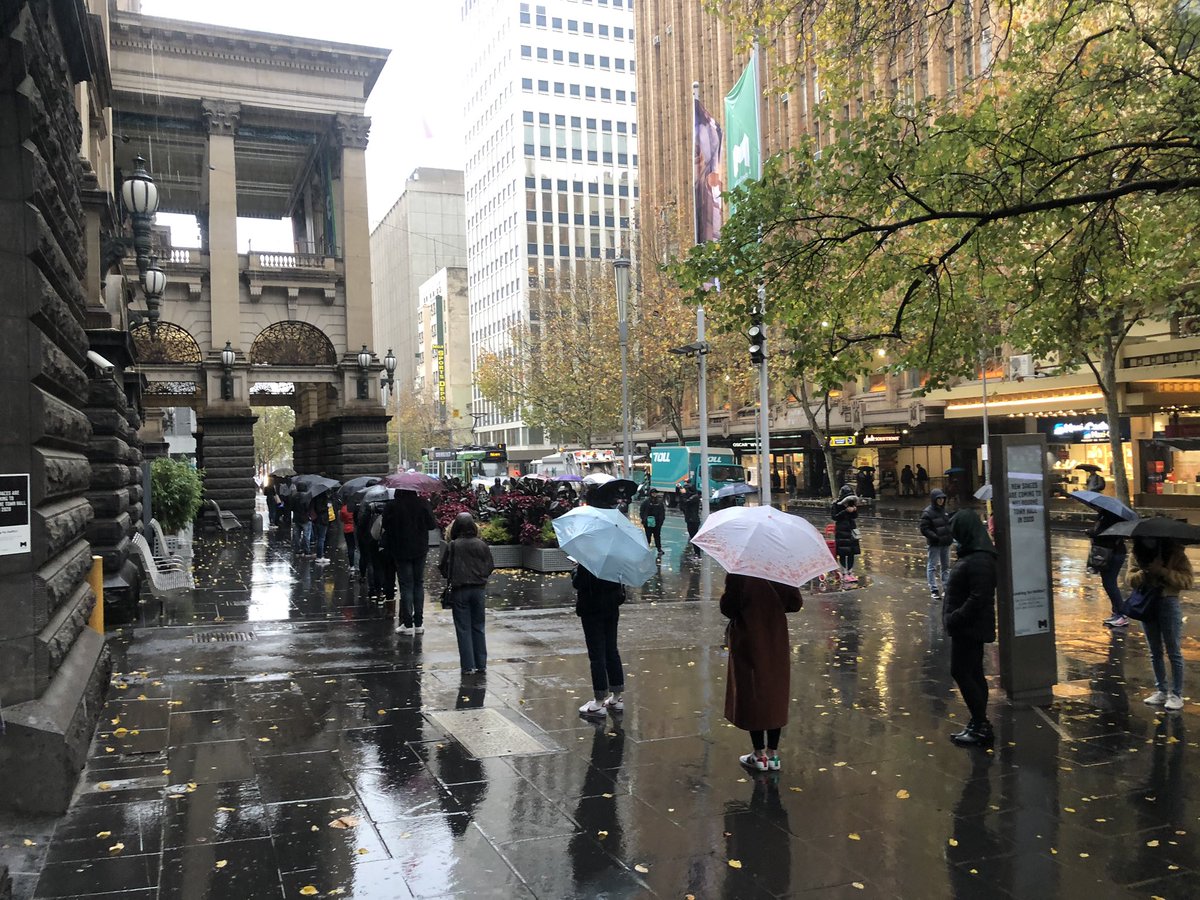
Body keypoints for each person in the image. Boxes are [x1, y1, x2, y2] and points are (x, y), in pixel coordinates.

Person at [720, 572, 803, 771]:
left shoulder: (740, 573)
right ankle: (773, 754)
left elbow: (728, 608)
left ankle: (759, 754)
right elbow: (795, 603)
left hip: (749, 637)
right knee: (775, 689)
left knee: (753, 689)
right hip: (775, 637)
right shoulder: (781, 569)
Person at [942, 508, 998, 746]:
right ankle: (979, 722)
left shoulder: (979, 559)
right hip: (968, 626)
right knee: (973, 672)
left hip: (968, 627)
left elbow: (979, 596)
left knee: (962, 672)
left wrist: (955, 617)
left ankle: (980, 724)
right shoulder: (975, 554)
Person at [1131, 536, 1193, 711]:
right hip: (1147, 603)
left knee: (1173, 651)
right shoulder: (1137, 553)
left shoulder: (1176, 553)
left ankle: (1177, 694)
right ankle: (1161, 690)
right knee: (1154, 651)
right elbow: (1130, 579)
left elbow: (1188, 581)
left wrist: (1163, 571)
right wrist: (1146, 572)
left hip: (1168, 602)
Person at [439, 512, 495, 675]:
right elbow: (490, 566)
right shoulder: (481, 544)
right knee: (479, 626)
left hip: (460, 590)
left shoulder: (453, 545)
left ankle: (467, 665)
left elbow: (443, 568)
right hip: (478, 590)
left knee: (463, 628)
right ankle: (481, 664)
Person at [573, 563, 626, 717]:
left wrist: (575, 569)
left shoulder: (589, 558)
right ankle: (616, 697)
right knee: (611, 649)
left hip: (592, 609)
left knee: (597, 655)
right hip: (611, 606)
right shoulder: (615, 556)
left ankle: (598, 702)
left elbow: (578, 583)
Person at [382, 490, 438, 634]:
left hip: (400, 549)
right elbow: (432, 525)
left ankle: (407, 624)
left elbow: (386, 526)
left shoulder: (392, 506)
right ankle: (419, 623)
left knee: (406, 585)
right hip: (420, 548)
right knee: (418, 583)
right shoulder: (423, 503)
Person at [1086, 513, 1129, 627]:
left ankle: (1122, 614)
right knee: (1108, 583)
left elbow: (1107, 534)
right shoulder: (1103, 516)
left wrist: (1092, 533)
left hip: (1113, 553)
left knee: (1110, 583)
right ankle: (1117, 613)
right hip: (1108, 552)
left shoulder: (1111, 517)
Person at [919, 489, 954, 598]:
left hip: (945, 543)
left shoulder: (944, 511)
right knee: (932, 566)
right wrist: (935, 537)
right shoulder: (928, 512)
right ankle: (934, 589)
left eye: (942, 498)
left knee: (945, 566)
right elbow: (924, 528)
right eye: (938, 499)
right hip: (935, 544)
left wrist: (950, 535)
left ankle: (946, 587)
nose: (941, 501)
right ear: (934, 499)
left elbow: (948, 525)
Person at [831, 494, 861, 583]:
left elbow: (855, 516)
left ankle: (850, 572)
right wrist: (845, 511)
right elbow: (835, 517)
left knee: (851, 552)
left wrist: (854, 510)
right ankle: (844, 573)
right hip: (842, 531)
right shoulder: (836, 505)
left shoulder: (852, 504)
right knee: (843, 552)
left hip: (851, 530)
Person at [639, 488, 666, 557]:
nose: (654, 494)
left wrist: (661, 520)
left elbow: (662, 512)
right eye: (653, 493)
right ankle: (646, 547)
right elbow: (642, 511)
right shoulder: (646, 502)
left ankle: (659, 548)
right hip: (648, 522)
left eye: (655, 493)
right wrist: (644, 519)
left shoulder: (659, 502)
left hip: (657, 522)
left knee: (657, 536)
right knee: (648, 535)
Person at [310, 492, 332, 565]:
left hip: (316, 520)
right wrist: (327, 506)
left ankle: (319, 554)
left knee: (319, 538)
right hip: (323, 520)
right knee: (321, 538)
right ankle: (320, 556)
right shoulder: (323, 499)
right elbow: (320, 509)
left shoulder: (314, 498)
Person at [681, 484, 702, 557]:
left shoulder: (694, 497)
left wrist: (683, 494)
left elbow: (686, 502)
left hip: (693, 520)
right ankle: (696, 552)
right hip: (690, 519)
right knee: (692, 536)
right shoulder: (692, 497)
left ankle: (698, 553)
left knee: (694, 536)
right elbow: (683, 505)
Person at [340, 501, 357, 574]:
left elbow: (341, 519)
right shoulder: (356, 507)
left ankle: (352, 565)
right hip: (355, 529)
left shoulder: (343, 509)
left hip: (347, 529)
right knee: (357, 547)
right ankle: (358, 564)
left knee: (350, 547)